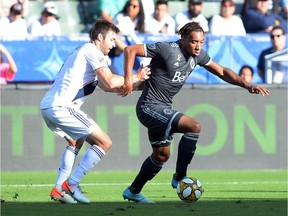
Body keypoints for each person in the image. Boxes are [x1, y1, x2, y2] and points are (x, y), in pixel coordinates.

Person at [120, 21, 270, 203]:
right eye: (193, 42)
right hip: (148, 107)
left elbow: (221, 71)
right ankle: (180, 177)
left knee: (161, 155)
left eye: (201, 42)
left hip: (163, 107)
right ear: (183, 39)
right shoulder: (167, 49)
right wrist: (129, 81)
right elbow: (130, 50)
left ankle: (134, 191)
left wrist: (247, 85)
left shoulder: (198, 56)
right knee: (194, 126)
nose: (198, 46)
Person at [40, 19, 150, 204]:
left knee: (76, 141)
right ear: (100, 37)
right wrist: (137, 75)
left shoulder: (84, 52)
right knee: (104, 142)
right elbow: (110, 81)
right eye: (112, 39)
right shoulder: (92, 50)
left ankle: (59, 189)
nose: (114, 44)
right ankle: (72, 184)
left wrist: (141, 84)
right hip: (62, 106)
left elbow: (109, 87)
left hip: (48, 106)